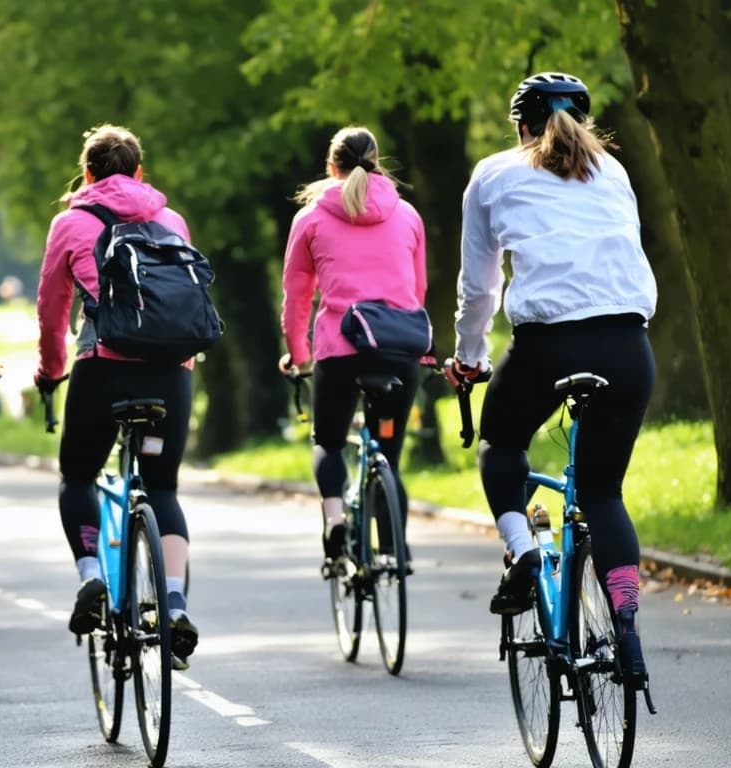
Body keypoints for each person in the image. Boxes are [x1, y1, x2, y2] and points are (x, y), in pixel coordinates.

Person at [446, 72, 657, 681]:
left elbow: (479, 286)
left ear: (521, 126)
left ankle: (525, 553)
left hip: (548, 346)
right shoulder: (614, 172)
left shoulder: (491, 173)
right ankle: (628, 631)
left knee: (501, 445)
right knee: (604, 493)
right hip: (627, 344)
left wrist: (470, 355)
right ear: (584, 122)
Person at [34, 124, 198, 666]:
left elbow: (52, 309)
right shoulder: (171, 220)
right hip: (170, 374)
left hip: (103, 371)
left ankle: (91, 576)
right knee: (163, 488)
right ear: (139, 172)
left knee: (78, 476)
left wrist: (50, 370)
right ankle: (173, 602)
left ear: (87, 173)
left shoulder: (70, 223)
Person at [278, 126, 427, 562]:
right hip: (399, 351)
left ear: (331, 167)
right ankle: (393, 549)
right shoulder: (408, 215)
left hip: (340, 351)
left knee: (329, 442)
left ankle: (336, 521)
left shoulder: (310, 218)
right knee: (390, 454)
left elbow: (297, 296)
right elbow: (416, 292)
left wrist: (298, 355)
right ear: (377, 162)